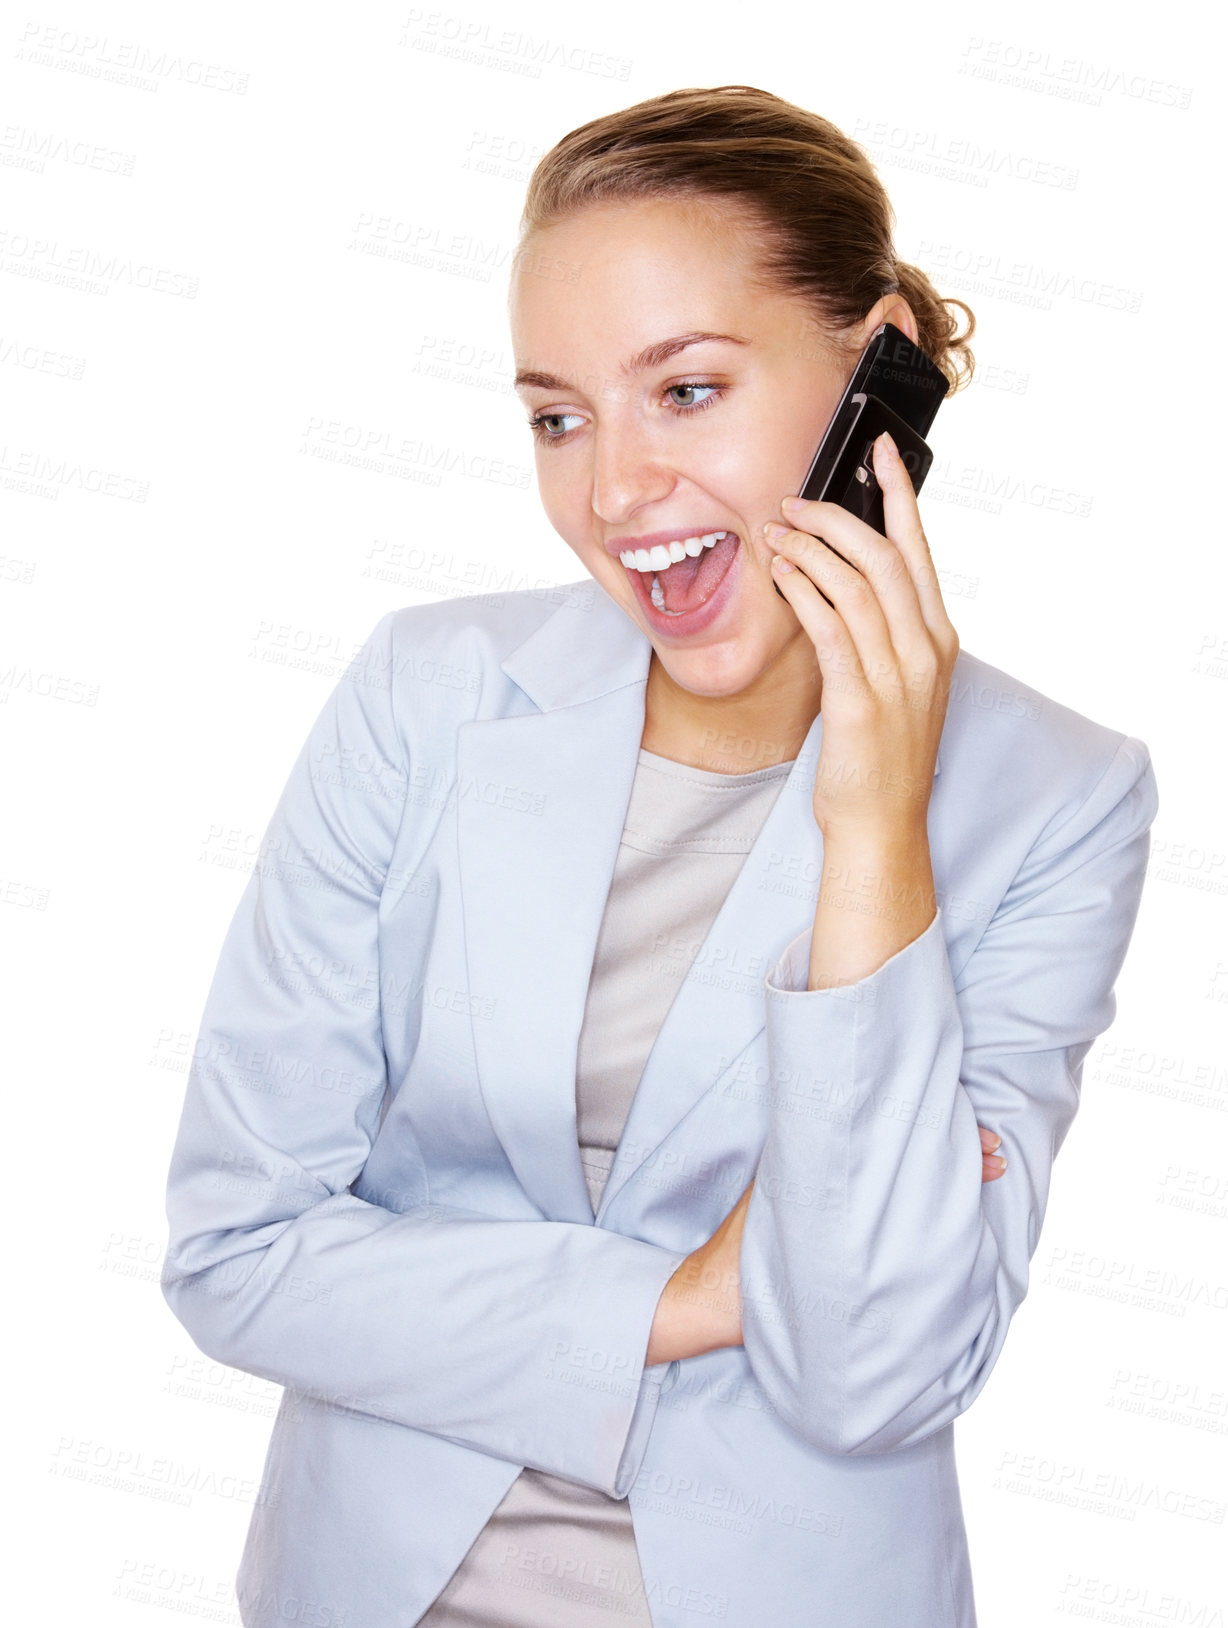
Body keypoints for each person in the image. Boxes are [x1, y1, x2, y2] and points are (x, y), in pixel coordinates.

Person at [161, 86, 1158, 1628]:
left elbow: (874, 1369)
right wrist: (690, 1297)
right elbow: (237, 1253)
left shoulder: (1055, 800)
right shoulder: (426, 699)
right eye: (558, 416)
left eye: (684, 391)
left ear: (871, 373)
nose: (612, 491)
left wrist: (874, 821)